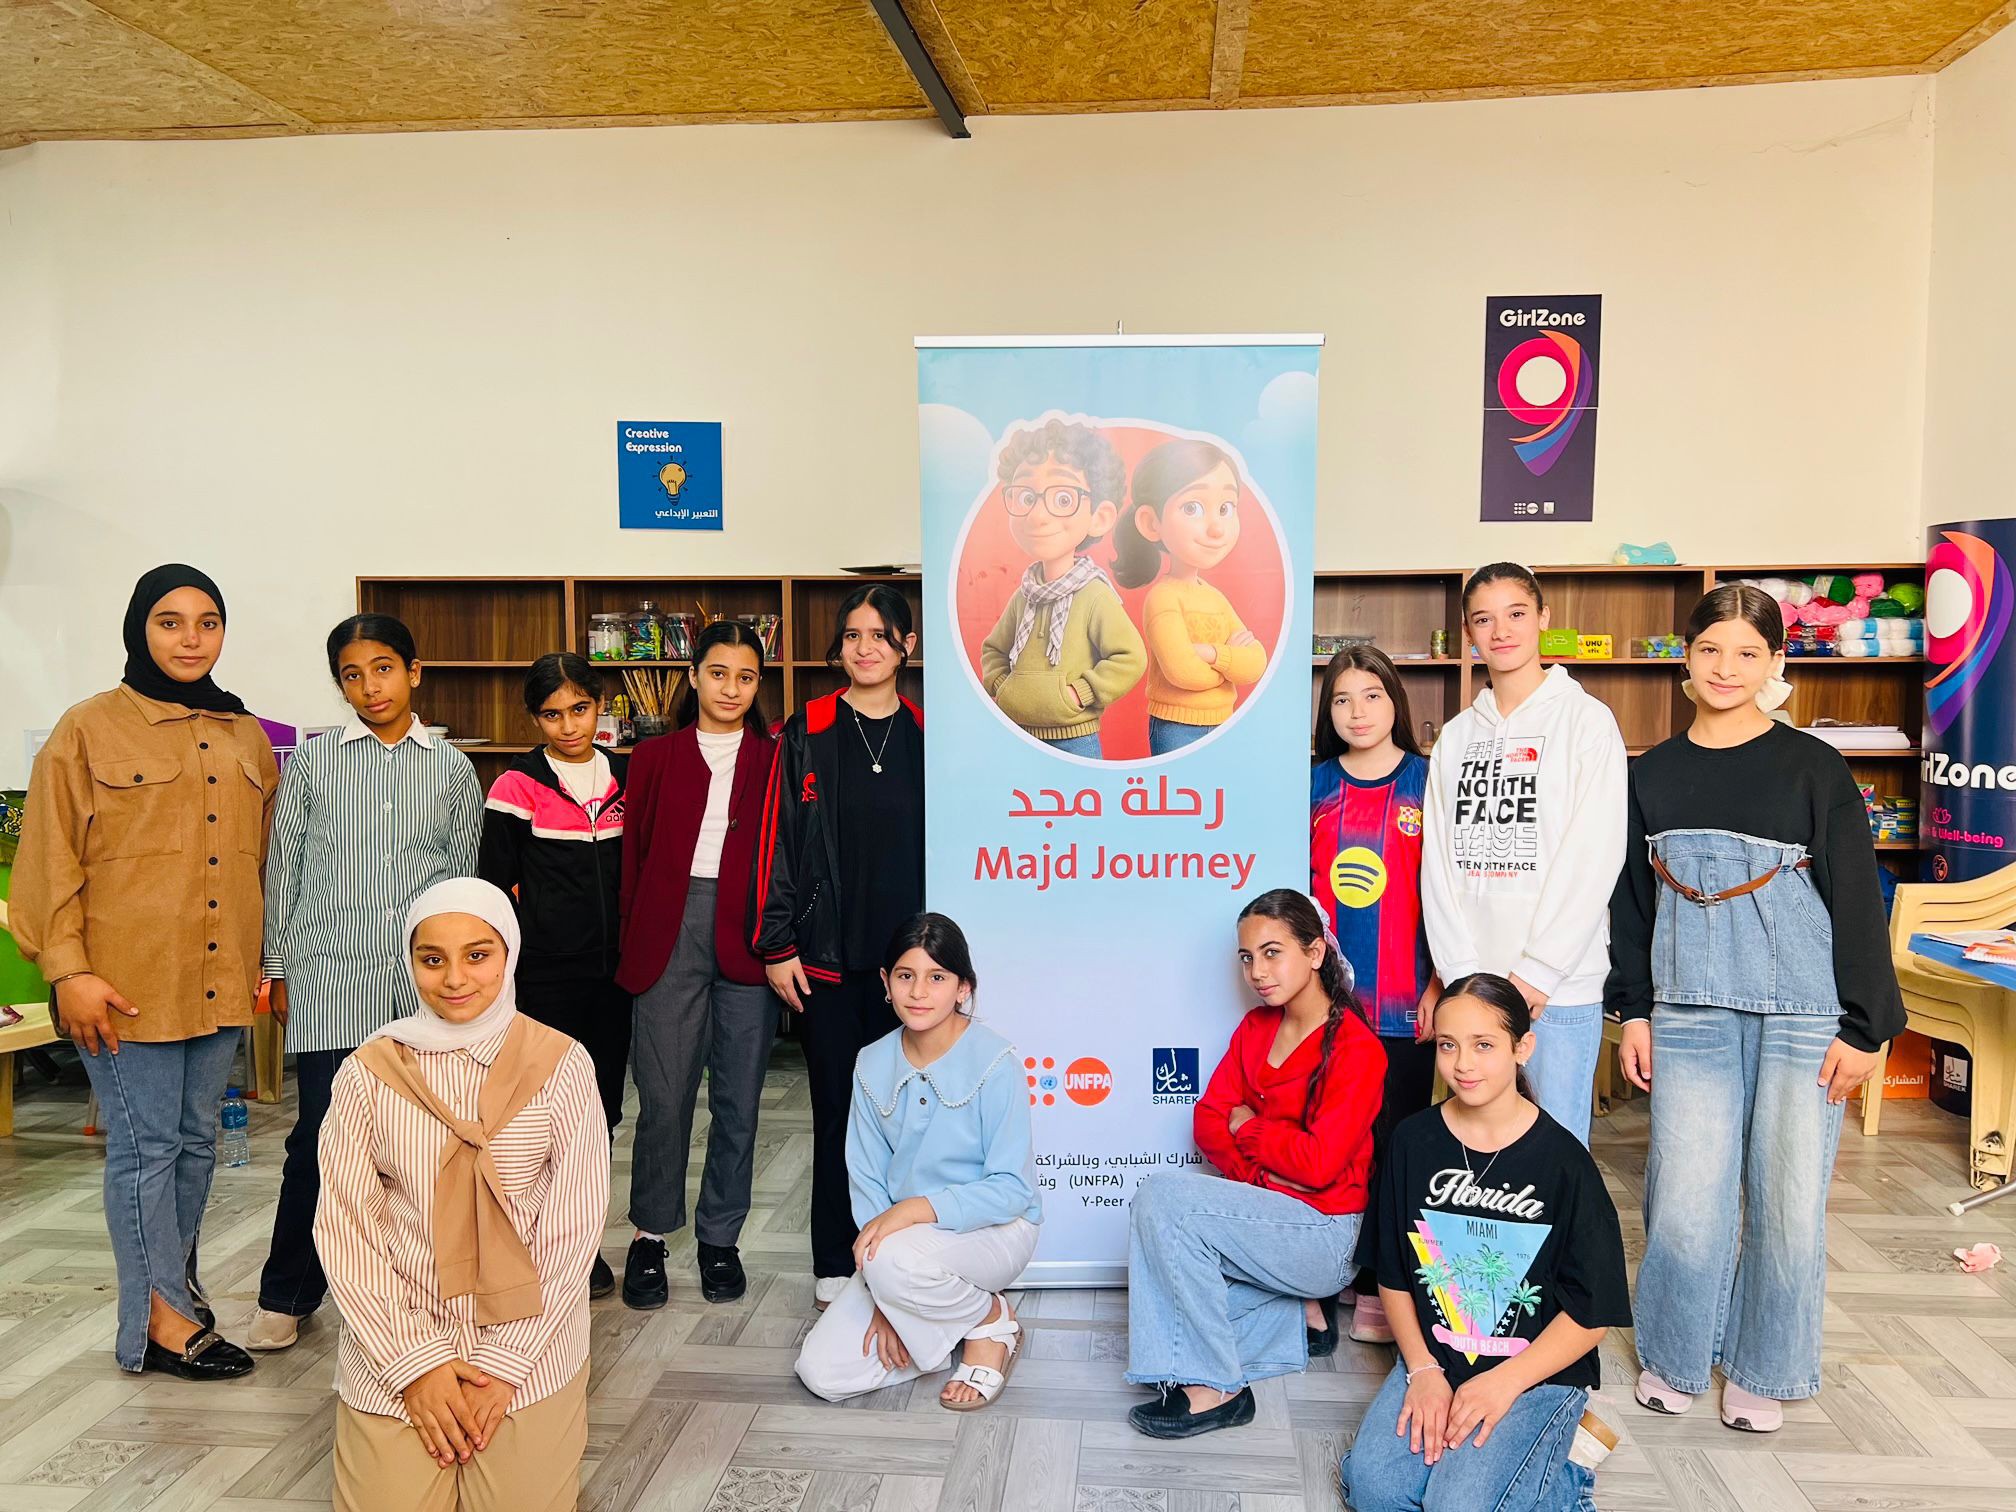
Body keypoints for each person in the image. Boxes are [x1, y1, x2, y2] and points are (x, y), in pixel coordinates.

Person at [1611, 584, 1901, 1433]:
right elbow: (1631, 905)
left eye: (1747, 653)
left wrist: (1864, 1027)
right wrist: (1635, 1013)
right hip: (1688, 1011)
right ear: (1686, 657)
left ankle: (1765, 1367)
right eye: (1710, 650)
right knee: (1684, 1197)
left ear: (1776, 662)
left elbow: (1856, 898)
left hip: (1804, 1016)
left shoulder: (1814, 766)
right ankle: (1674, 1355)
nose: (1726, 668)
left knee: (1786, 1200)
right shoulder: (1651, 773)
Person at [12, 564, 278, 1379]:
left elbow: (259, 862)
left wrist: (263, 963)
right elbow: (47, 860)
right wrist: (68, 971)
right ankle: (160, 1321)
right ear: (139, 628)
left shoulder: (245, 735)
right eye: (170, 621)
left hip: (218, 981)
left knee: (196, 1145)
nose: (191, 639)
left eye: (207, 622)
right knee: (145, 1149)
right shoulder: (87, 729)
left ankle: (175, 1292)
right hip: (122, 987)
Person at [316, 878, 608, 1512]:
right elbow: (345, 1227)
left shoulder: (562, 1065)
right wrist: (415, 1364)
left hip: (531, 1346)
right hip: (398, 1336)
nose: (454, 979)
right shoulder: (368, 1072)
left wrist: (505, 1363)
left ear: (510, 955)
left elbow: (573, 1231)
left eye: (478, 955)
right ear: (409, 962)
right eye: (432, 959)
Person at [250, 613, 483, 1351]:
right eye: (352, 675)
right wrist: (276, 968)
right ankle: (288, 1292)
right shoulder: (314, 763)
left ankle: (415, 1291)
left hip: (421, 991)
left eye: (383, 669)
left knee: (421, 1146)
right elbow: (283, 871)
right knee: (320, 1140)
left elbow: (461, 885)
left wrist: (461, 983)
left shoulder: (451, 770)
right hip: (328, 980)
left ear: (413, 672)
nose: (370, 687)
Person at [1341, 974, 1629, 1512]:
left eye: (1484, 1045)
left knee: (1457, 1506)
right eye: (1449, 1045)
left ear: (1523, 1048)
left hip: (1533, 1374)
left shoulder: (1565, 1164)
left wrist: (1504, 1384)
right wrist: (1423, 1370)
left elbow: (1593, 1314)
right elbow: (1394, 1275)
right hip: (1436, 1358)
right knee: (1376, 1492)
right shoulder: (1411, 1141)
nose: (1463, 1064)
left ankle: (1566, 1474)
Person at [1124, 889, 1385, 1439]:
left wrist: (1249, 1128)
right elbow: (1208, 1121)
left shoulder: (1357, 1049)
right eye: (1247, 958)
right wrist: (1267, 1176)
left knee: (1163, 1199)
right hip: (1275, 1217)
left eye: (1271, 953)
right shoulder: (1255, 1028)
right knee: (1177, 1297)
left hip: (1327, 1237)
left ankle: (1217, 1389)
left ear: (1315, 952)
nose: (1257, 972)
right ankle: (1299, 1316)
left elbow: (1318, 1164)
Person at [755, 585, 926, 1308]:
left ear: (906, 647)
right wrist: (777, 944)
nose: (865, 648)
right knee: (836, 1110)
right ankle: (834, 1257)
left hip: (913, 970)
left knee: (911, 1117)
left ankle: (901, 1253)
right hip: (826, 960)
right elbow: (777, 840)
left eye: (880, 635)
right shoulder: (808, 729)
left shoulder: (927, 733)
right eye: (853, 635)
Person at [793, 913, 1039, 1408]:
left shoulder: (997, 1063)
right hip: (896, 1254)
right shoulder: (870, 1062)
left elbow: (1013, 1190)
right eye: (906, 976)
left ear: (964, 987)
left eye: (937, 977)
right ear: (886, 983)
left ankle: (991, 1321)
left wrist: (912, 1214)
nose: (919, 992)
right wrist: (890, 1299)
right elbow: (865, 1182)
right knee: (821, 1372)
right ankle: (946, 1319)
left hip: (995, 1232)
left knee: (892, 1260)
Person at [1421, 563, 1625, 1145]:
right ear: (1468, 631)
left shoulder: (1587, 722)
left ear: (1543, 618)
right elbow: (1437, 862)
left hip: (1558, 990)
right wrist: (1460, 974)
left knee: (1553, 1150)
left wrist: (1537, 973)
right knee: (1474, 1151)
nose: (1502, 631)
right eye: (1484, 619)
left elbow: (1595, 854)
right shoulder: (1457, 736)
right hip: (1472, 984)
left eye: (1516, 614)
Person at [617, 621, 777, 1310]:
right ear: (693, 676)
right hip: (668, 930)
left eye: (746, 677)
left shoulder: (776, 756)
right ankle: (650, 1235)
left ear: (758, 684)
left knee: (739, 1101)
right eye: (718, 673)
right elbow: (633, 855)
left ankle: (720, 1239)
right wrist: (632, 941)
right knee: (664, 1096)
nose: (731, 689)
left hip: (748, 936)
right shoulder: (653, 756)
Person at [478, 652, 629, 1299]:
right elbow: (492, 890)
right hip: (544, 982)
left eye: (579, 709)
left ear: (600, 705)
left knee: (602, 1113)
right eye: (551, 714)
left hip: (615, 982)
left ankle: (582, 1244)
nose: (568, 726)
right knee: (541, 1116)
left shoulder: (627, 778)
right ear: (534, 719)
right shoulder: (516, 787)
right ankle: (531, 1242)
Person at [1312, 645, 1438, 1347]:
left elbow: (1447, 893)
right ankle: (1327, 1269)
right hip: (1326, 1005)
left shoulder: (1428, 781)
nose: (1357, 712)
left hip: (1404, 1001)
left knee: (1394, 1146)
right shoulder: (1312, 784)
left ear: (1396, 702)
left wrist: (1440, 981)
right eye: (1341, 699)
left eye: (1372, 696)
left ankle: (1378, 1283)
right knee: (1333, 1142)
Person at [978, 418, 1146, 756]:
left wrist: (1080, 694)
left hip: (1075, 740)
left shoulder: (1093, 595)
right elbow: (993, 650)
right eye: (1027, 496)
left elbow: (1131, 657)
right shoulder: (1024, 595)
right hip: (1016, 735)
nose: (1039, 516)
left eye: (1064, 498)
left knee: (1080, 793)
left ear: (1099, 516)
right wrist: (1003, 686)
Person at [1112, 438, 1267, 755]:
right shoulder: (1163, 597)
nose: (1216, 528)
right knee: (1179, 788)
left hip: (1225, 722)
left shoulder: (1215, 598)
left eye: (1225, 508)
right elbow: (1182, 671)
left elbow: (1255, 663)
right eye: (1192, 507)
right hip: (1176, 728)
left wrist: (1211, 654)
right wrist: (1229, 666)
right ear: (1151, 523)